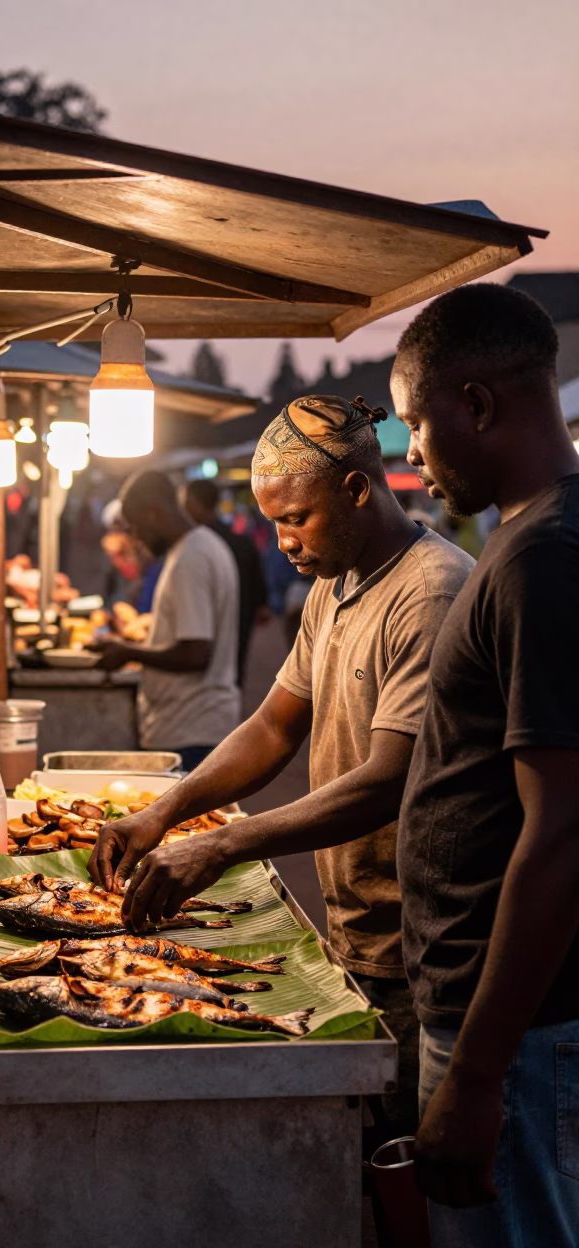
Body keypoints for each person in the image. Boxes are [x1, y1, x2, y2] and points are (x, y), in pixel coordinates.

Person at [90, 396, 474, 1143]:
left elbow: (387, 779)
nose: (283, 540)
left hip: (419, 950)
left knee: (411, 1171)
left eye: (295, 518)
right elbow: (273, 725)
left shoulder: (431, 592)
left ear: (359, 489)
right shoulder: (334, 584)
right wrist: (167, 810)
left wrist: (223, 842)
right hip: (355, 933)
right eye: (274, 522)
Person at [388, 283, 579, 1245]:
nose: (410, 454)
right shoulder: (529, 539)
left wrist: (477, 1073)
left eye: (415, 423)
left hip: (520, 1037)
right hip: (507, 1031)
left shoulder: (544, 558)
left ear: (478, 404)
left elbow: (562, 835)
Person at [89, 470, 240, 773]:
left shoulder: (191, 558)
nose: (136, 538)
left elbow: (195, 653)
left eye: (135, 527)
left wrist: (128, 652)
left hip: (190, 730)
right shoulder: (197, 547)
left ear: (154, 513)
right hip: (191, 726)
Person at [182, 478, 268, 684]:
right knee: (234, 673)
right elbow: (259, 587)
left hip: (211, 622)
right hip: (241, 619)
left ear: (193, 502)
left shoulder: (195, 545)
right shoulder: (241, 541)